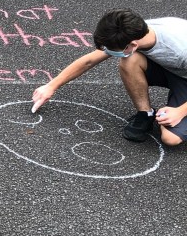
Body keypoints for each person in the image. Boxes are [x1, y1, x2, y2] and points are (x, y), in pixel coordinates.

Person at [31, 9, 187, 147]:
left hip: (182, 74)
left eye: (111, 49)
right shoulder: (132, 31)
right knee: (130, 60)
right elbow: (89, 61)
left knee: (170, 138)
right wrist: (52, 86)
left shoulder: (180, 49)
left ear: (133, 45)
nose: (107, 51)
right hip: (172, 69)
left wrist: (180, 112)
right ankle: (145, 114)